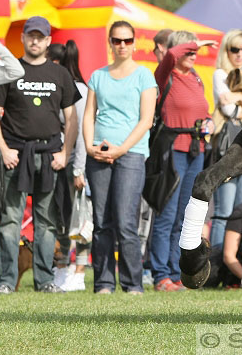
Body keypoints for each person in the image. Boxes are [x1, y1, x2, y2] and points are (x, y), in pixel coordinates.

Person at [0, 17, 80, 294]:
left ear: (48, 40)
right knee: (9, 221)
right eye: (31, 35)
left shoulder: (60, 75)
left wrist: (65, 153)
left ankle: (44, 281)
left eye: (41, 36)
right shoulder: (10, 71)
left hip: (49, 154)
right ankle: (6, 281)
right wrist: (4, 150)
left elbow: (71, 118)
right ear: (24, 38)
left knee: (47, 221)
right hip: (16, 155)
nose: (35, 40)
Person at [83, 21, 157, 294]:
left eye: (127, 40)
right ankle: (103, 283)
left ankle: (132, 284)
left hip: (131, 154)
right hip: (99, 153)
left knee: (126, 221)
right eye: (117, 40)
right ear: (110, 43)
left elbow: (146, 120)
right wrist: (90, 147)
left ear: (135, 43)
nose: (122, 45)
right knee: (101, 222)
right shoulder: (98, 76)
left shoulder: (144, 76)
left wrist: (122, 149)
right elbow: (89, 114)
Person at [151, 30, 215, 291]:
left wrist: (209, 121)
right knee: (166, 214)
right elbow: (170, 55)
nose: (193, 54)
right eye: (188, 50)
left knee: (184, 217)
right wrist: (195, 42)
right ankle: (160, 274)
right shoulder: (166, 74)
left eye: (195, 52)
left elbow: (203, 109)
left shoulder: (197, 78)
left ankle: (177, 274)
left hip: (195, 150)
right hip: (172, 150)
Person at [47, 40, 91, 292]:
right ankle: (62, 267)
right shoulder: (61, 87)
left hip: (75, 164)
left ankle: (80, 271)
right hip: (59, 162)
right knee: (62, 219)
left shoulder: (79, 90)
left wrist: (79, 169)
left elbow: (84, 133)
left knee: (81, 220)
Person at [210, 29, 242, 248]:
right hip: (228, 146)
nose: (239, 54)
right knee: (224, 211)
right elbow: (228, 111)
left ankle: (236, 264)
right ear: (226, 50)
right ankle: (217, 261)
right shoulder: (220, 74)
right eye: (234, 49)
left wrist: (238, 97)